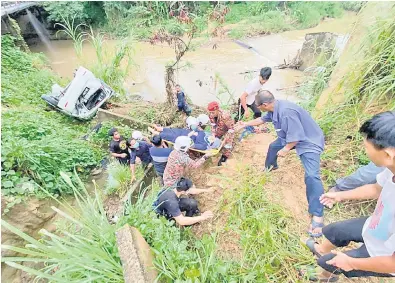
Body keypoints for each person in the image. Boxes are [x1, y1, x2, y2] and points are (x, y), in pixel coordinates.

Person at [303, 111, 395, 281]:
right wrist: (341, 195)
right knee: (335, 230)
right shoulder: (391, 170)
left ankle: (325, 275)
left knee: (330, 263)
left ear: (388, 155)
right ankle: (321, 250)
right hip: (378, 225)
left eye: (366, 148)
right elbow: (376, 189)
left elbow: (393, 263)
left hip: (384, 254)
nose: (365, 151)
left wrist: (352, 262)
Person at [236, 90, 325, 237]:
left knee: (311, 176)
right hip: (289, 137)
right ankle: (270, 167)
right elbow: (262, 120)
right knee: (273, 147)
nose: (258, 109)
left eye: (258, 106)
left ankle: (317, 214)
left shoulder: (286, 112)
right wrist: (245, 124)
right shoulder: (274, 108)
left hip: (308, 142)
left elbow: (296, 137)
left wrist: (286, 149)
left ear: (264, 105)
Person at [207, 101, 235, 166]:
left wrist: (225, 140)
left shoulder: (225, 116)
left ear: (217, 110)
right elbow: (213, 125)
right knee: (214, 140)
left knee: (227, 143)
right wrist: (213, 135)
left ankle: (224, 157)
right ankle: (216, 150)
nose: (211, 114)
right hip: (220, 128)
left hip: (228, 129)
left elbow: (231, 129)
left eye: (213, 113)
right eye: (210, 112)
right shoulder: (210, 115)